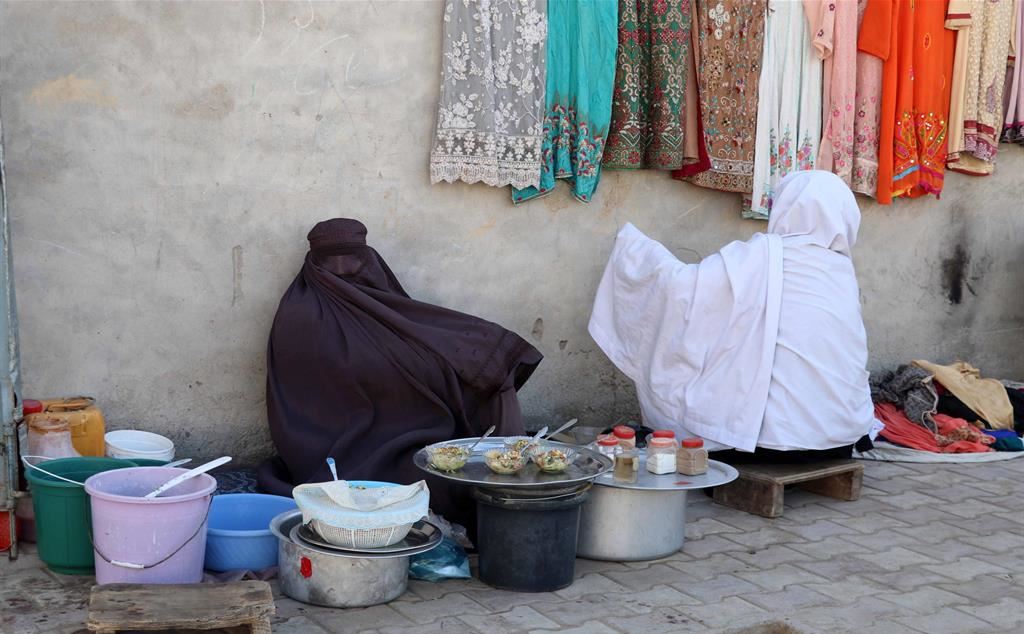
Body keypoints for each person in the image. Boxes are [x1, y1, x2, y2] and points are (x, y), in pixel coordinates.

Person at [259, 218, 542, 531]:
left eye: (352, 258)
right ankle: (505, 500)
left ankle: (513, 480)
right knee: (437, 484)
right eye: (332, 259)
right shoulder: (299, 314)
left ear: (367, 258)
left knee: (489, 377)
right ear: (314, 263)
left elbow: (415, 330)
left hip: (406, 426)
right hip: (328, 449)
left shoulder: (378, 301)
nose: (343, 269)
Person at [588, 170, 873, 456]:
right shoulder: (841, 270)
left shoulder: (764, 253)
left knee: (708, 388)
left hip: (764, 447)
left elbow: (686, 291)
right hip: (840, 440)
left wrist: (637, 253)